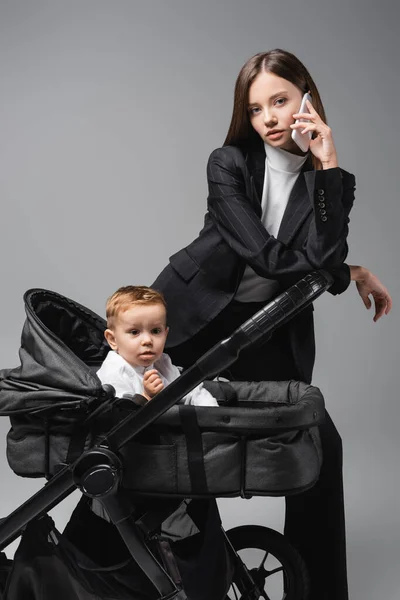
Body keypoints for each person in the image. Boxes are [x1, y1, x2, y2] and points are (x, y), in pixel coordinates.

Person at [152, 49, 392, 600]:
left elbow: (322, 250)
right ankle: (199, 580)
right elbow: (270, 258)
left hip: (266, 330)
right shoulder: (226, 163)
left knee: (320, 446)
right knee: (183, 453)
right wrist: (343, 272)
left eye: (280, 101)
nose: (269, 118)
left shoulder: (328, 180)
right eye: (257, 108)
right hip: (196, 324)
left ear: (306, 96)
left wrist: (328, 164)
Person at [96, 285, 218, 406]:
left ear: (165, 334)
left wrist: (213, 414)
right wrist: (146, 397)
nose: (147, 340)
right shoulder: (114, 372)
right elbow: (119, 416)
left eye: (155, 331)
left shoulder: (163, 362)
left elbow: (192, 392)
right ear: (113, 340)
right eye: (134, 332)